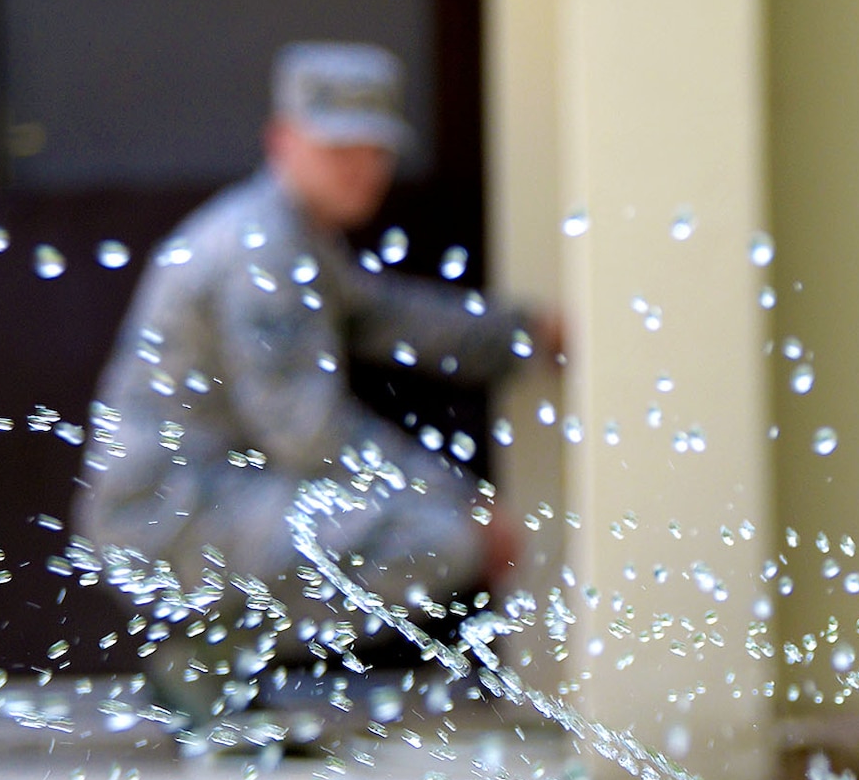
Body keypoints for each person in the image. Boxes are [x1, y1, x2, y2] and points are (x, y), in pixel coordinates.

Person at [75, 42, 558, 726]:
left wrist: (526, 334)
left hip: (195, 502)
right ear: (282, 142)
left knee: (431, 527)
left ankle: (213, 665)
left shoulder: (291, 235)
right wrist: (463, 500)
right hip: (172, 515)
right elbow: (307, 430)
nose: (362, 171)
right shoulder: (262, 250)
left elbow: (389, 316)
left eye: (375, 152)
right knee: (439, 538)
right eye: (338, 151)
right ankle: (205, 662)